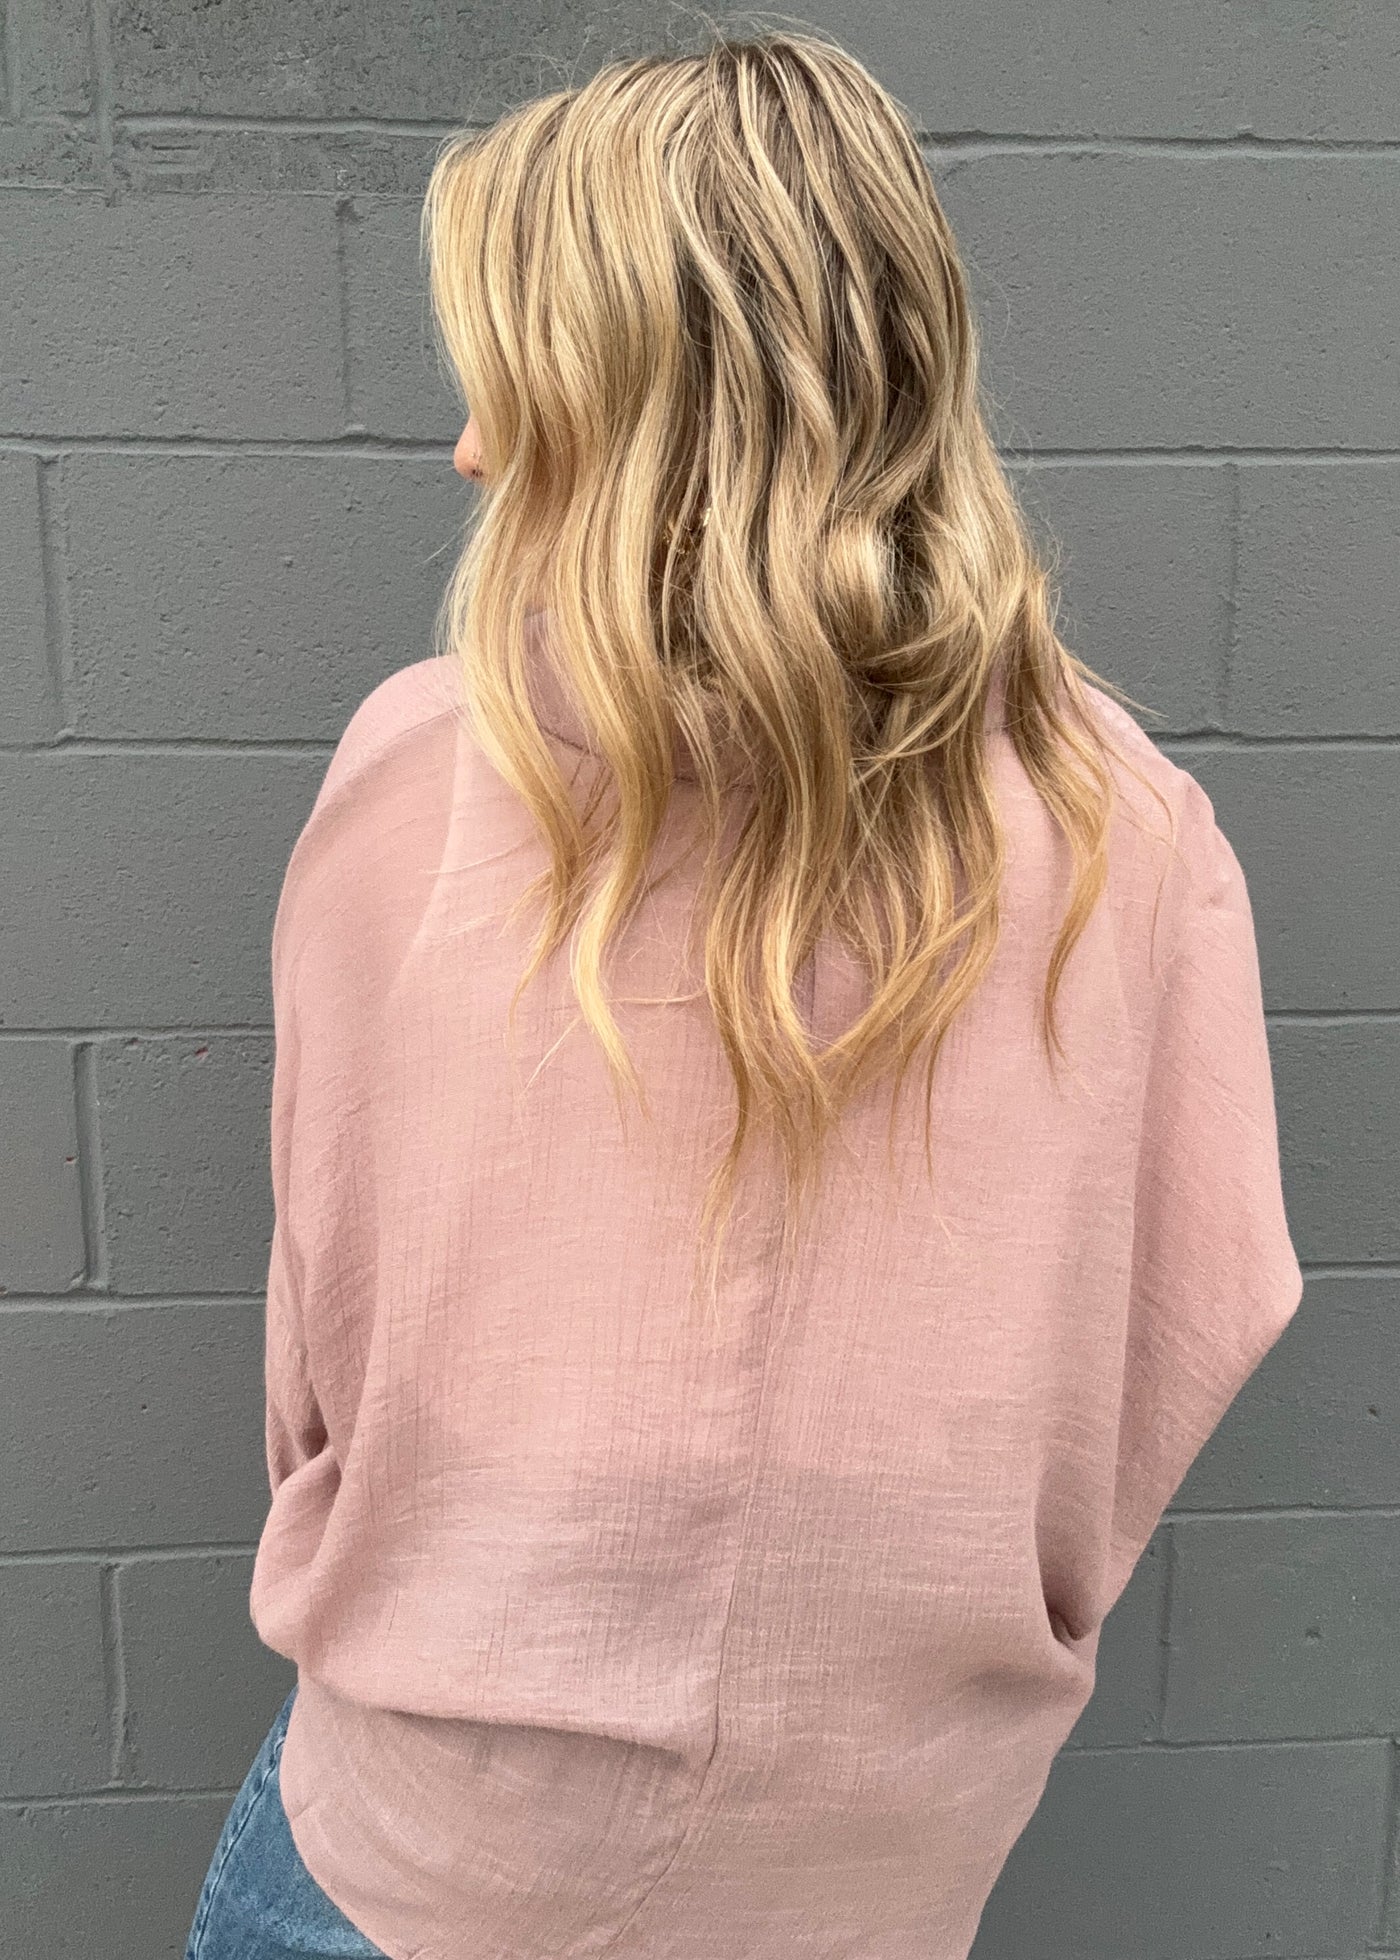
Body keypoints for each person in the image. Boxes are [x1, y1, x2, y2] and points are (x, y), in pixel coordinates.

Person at [184, 28, 1302, 1960]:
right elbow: (1185, 1338)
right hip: (885, 1864)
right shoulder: (1132, 828)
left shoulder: (432, 777)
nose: (468, 448)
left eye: (514, 379)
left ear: (636, 402)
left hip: (419, 1853)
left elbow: (323, 1340)